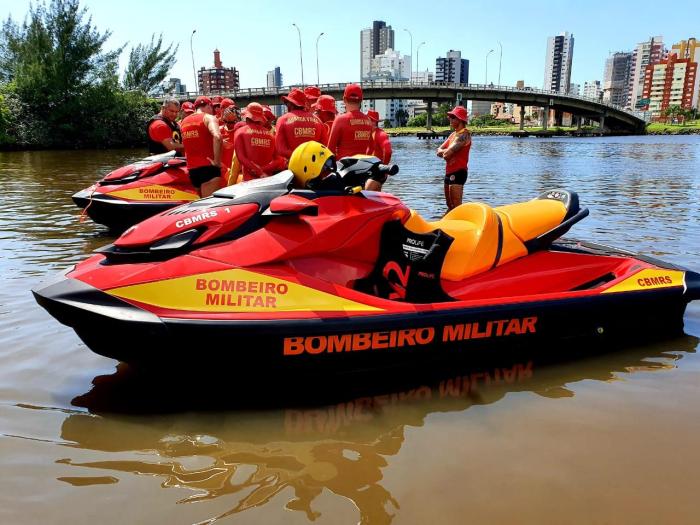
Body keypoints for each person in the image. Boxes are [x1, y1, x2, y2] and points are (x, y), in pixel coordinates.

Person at [180, 96, 223, 197]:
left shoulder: (183, 122)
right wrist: (217, 162)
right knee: (209, 207)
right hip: (209, 167)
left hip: (192, 170)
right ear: (208, 106)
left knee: (200, 205)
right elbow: (217, 136)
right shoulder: (209, 118)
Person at [234, 102, 286, 182]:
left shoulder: (240, 132)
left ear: (247, 117)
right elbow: (278, 160)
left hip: (248, 181)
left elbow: (241, 158)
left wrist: (258, 170)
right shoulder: (270, 135)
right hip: (267, 180)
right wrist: (263, 169)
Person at [275, 88, 328, 163]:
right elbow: (324, 146)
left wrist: (299, 156)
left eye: (286, 103)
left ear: (290, 104)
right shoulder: (318, 120)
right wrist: (310, 157)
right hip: (314, 166)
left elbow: (280, 150)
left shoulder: (282, 120)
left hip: (293, 166)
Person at [436, 105, 472, 210]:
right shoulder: (453, 135)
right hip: (449, 172)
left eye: (452, 117)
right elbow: (439, 150)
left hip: (458, 172)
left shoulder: (464, 136)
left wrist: (446, 152)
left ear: (460, 119)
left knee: (456, 206)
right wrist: (445, 152)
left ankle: (461, 224)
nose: (449, 119)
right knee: (449, 205)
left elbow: (446, 155)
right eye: (450, 117)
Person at [327, 84, 374, 160]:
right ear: (361, 100)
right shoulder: (368, 120)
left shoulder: (340, 119)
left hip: (344, 169)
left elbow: (330, 150)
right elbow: (371, 148)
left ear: (344, 99)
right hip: (362, 168)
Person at [366, 110, 393, 191]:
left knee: (368, 196)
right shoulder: (370, 133)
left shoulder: (381, 134)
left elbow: (388, 152)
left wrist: (384, 168)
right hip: (372, 171)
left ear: (371, 121)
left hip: (377, 172)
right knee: (374, 196)